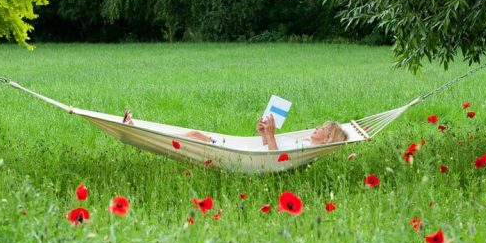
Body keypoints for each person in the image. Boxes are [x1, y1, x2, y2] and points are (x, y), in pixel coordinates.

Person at [122, 110, 348, 151]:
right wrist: (263, 133)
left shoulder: (304, 148)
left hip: (236, 153)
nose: (316, 128)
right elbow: (269, 151)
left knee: (192, 136)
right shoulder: (304, 144)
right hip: (237, 148)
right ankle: (139, 128)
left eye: (321, 128)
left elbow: (275, 157)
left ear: (327, 137)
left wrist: (269, 135)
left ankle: (138, 129)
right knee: (195, 134)